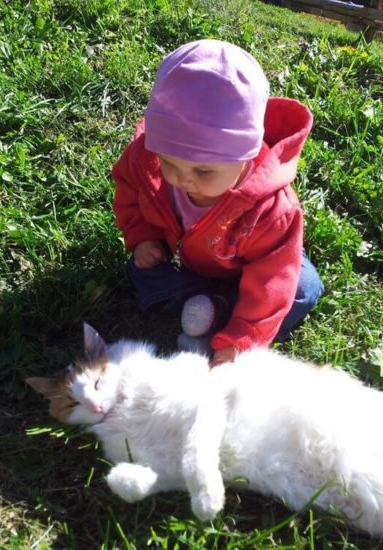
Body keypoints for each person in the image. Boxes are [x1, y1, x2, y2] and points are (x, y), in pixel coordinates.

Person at [112, 39, 324, 367]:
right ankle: (210, 308)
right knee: (140, 269)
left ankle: (221, 319)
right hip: (188, 257)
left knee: (302, 289)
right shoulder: (145, 159)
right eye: (169, 163)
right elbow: (129, 192)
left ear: (246, 155)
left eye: (203, 170)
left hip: (257, 267)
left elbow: (272, 276)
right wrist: (142, 237)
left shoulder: (271, 210)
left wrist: (242, 341)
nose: (182, 179)